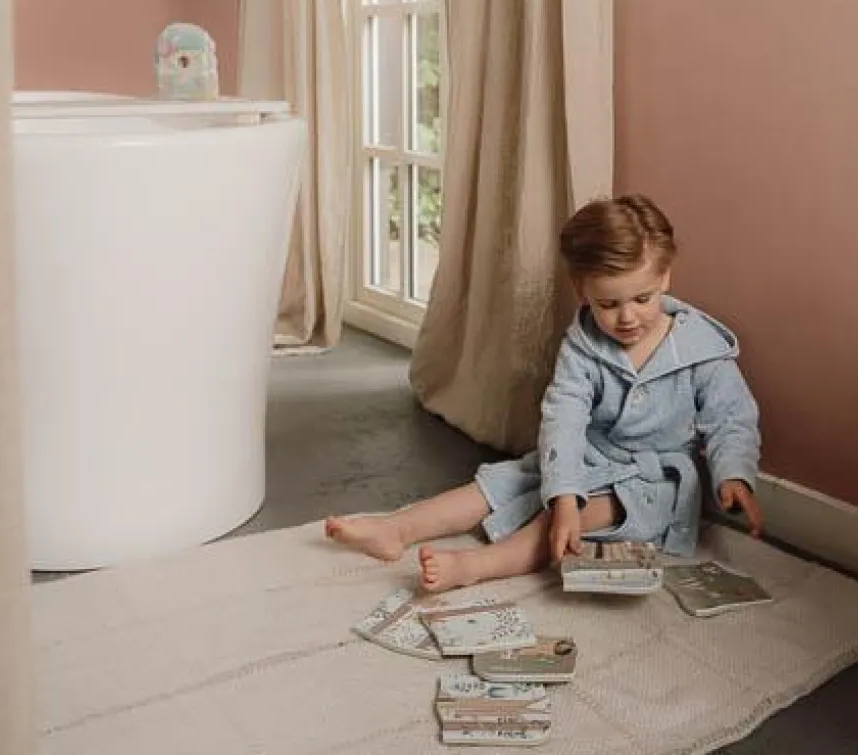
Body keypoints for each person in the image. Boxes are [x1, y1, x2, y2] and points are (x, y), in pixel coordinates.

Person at [325, 194, 763, 593]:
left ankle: (476, 566)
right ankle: (397, 528)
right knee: (502, 482)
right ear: (582, 290)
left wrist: (734, 475)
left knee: (574, 516)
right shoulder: (583, 346)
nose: (628, 317)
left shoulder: (702, 348)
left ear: (665, 278)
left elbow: (731, 417)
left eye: (642, 299)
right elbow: (564, 420)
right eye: (609, 304)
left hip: (651, 480)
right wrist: (564, 492)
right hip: (588, 455)